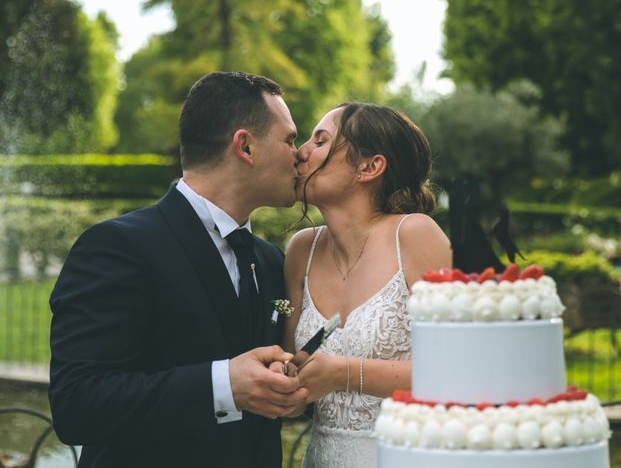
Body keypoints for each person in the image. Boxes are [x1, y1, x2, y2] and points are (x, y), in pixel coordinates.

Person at [48, 71, 309, 468]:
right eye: (290, 139)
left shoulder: (271, 260)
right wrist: (223, 386)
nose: (300, 153)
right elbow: (77, 404)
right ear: (246, 146)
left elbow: (276, 327)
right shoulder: (119, 246)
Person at [279, 102, 451, 467]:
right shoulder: (301, 250)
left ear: (369, 167)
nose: (301, 152)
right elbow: (295, 370)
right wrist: (288, 388)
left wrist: (342, 373)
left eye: (320, 141)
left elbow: (453, 372)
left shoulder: (416, 236)